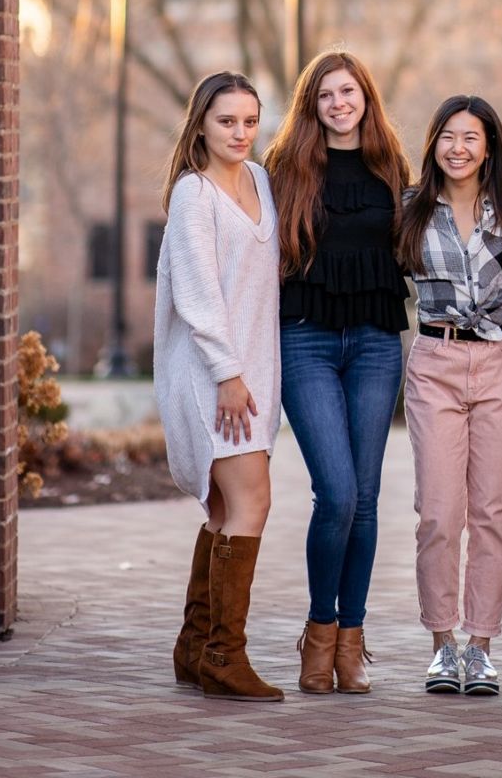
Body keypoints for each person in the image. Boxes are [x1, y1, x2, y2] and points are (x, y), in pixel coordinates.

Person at [263, 50, 410, 695]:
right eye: (325, 95)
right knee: (339, 493)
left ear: (366, 98)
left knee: (369, 496)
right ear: (311, 105)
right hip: (308, 342)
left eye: (348, 91)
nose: (338, 103)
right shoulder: (284, 170)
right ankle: (318, 635)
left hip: (376, 341)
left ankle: (350, 645)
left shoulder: (391, 169)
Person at [153, 71, 284, 703]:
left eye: (250, 121)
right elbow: (198, 295)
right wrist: (227, 374)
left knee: (227, 510)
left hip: (254, 372)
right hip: (214, 377)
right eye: (227, 120)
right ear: (201, 123)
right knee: (251, 504)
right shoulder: (193, 194)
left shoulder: (260, 180)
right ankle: (224, 655)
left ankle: (193, 648)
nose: (240, 133)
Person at [397, 96, 502, 696]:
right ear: (434, 145)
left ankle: (480, 647)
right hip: (435, 360)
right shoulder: (409, 208)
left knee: (494, 511)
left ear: (489, 145)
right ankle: (441, 645)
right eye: (447, 136)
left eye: (470, 138)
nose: (458, 148)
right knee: (439, 512)